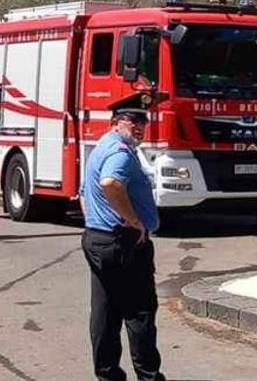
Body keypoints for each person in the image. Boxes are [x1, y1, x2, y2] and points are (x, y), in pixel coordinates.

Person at [80, 104, 166, 381]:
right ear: (116, 123)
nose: (139, 127)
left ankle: (107, 375)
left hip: (97, 238)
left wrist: (96, 219)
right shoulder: (120, 153)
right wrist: (134, 222)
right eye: (132, 121)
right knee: (139, 312)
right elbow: (110, 183)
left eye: (144, 122)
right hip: (122, 242)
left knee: (105, 312)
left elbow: (84, 193)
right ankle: (148, 376)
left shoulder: (100, 147)